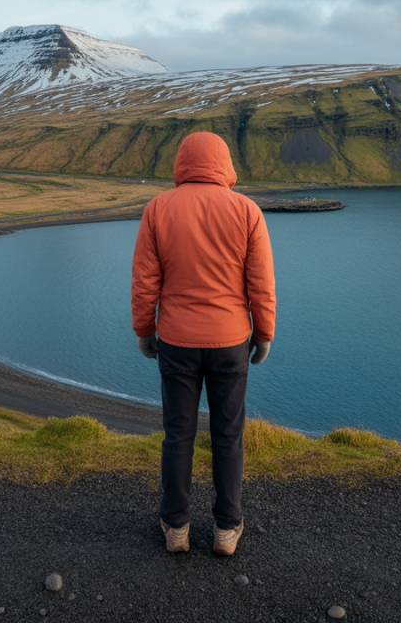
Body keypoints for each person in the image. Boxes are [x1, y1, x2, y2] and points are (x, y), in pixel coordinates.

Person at [131, 130, 276, 557]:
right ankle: (226, 530)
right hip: (231, 341)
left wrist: (145, 331)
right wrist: (264, 333)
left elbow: (144, 284)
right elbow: (261, 285)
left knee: (178, 435)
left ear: (182, 163)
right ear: (224, 163)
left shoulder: (158, 209)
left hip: (175, 340)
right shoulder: (246, 211)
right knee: (228, 436)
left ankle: (176, 527)